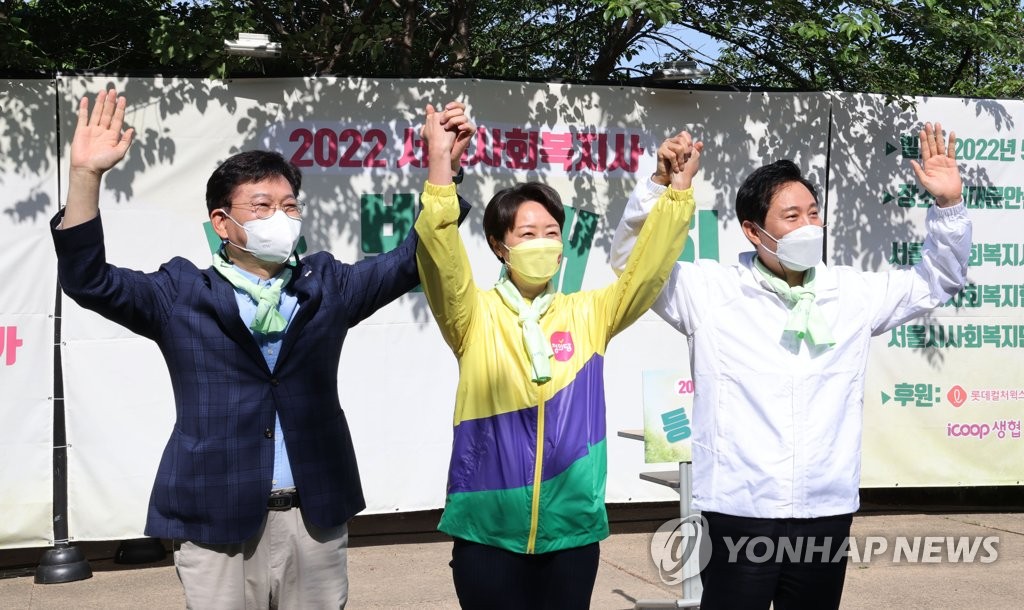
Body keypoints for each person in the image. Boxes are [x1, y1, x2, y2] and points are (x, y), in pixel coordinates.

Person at [50, 89, 472, 608]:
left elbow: (416, 256)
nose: (281, 217)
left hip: (312, 512)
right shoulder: (180, 293)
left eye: (289, 205)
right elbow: (88, 280)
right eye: (263, 206)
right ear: (222, 223)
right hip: (214, 515)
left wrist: (441, 170)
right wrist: (86, 176)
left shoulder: (327, 285)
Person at [609, 123, 971, 609]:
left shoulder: (852, 294)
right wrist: (658, 187)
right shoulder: (710, 292)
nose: (807, 226)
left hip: (825, 509)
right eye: (791, 216)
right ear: (753, 230)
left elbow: (938, 280)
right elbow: (633, 264)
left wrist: (948, 206)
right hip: (741, 508)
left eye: (813, 214)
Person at [414, 104, 703, 608]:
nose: (543, 244)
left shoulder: (591, 312)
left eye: (551, 233)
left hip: (572, 530)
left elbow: (647, 271)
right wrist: (441, 168)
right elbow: (441, 258)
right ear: (500, 247)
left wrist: (672, 192)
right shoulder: (471, 316)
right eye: (527, 234)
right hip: (486, 528)